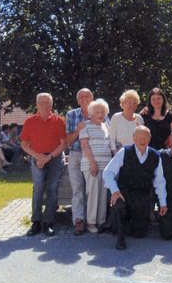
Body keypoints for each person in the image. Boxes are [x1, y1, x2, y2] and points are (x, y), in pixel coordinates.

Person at [103, 126, 168, 250]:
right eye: (139, 137)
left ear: (149, 139)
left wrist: (163, 202)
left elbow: (159, 182)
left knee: (140, 233)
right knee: (120, 207)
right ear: (134, 138)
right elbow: (107, 173)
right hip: (123, 194)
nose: (142, 140)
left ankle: (122, 224)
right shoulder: (124, 152)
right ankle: (120, 238)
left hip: (142, 197)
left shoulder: (155, 155)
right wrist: (115, 191)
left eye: (145, 137)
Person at [20, 93, 67, 237]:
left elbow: (63, 144)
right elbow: (24, 144)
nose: (45, 105)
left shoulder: (58, 121)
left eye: (48, 102)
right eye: (42, 102)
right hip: (37, 157)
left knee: (52, 188)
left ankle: (48, 222)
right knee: (38, 187)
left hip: (54, 157)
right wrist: (38, 156)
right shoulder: (30, 121)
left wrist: (48, 157)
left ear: (51, 105)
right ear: (37, 105)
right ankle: (36, 222)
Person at [66, 88, 100, 236]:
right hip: (76, 154)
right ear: (78, 100)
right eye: (82, 97)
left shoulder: (100, 112)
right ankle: (78, 220)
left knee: (93, 189)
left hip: (94, 155)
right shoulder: (71, 114)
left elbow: (108, 134)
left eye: (88, 96)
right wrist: (78, 131)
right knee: (77, 189)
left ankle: (94, 220)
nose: (85, 98)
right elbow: (68, 141)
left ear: (92, 98)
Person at [79, 99, 112, 235]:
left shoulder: (106, 126)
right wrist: (93, 163)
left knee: (104, 194)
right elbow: (84, 146)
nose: (100, 114)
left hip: (106, 165)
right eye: (97, 112)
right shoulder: (85, 126)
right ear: (91, 113)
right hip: (91, 165)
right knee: (92, 193)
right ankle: (91, 222)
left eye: (102, 112)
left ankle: (101, 222)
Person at [109, 89, 144, 154]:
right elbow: (111, 139)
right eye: (129, 103)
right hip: (119, 153)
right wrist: (116, 155)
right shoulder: (116, 117)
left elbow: (141, 138)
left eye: (134, 103)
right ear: (123, 104)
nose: (132, 105)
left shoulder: (139, 119)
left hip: (135, 154)